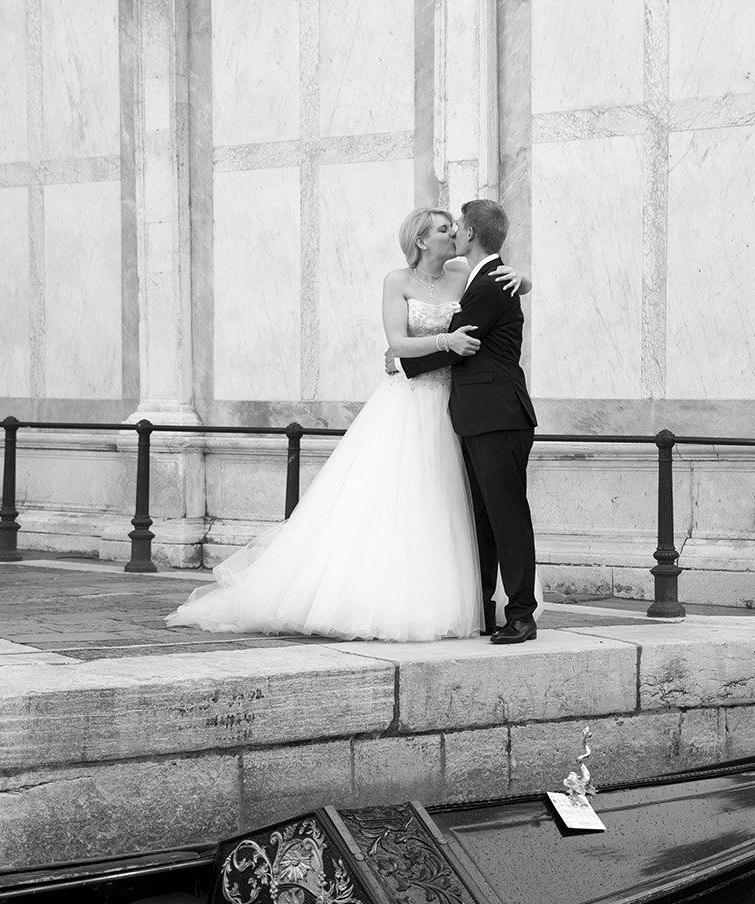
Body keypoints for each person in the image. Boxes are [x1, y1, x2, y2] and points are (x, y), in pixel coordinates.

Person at [166, 207, 530, 641]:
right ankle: (420, 601)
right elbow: (400, 340)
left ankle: (482, 605)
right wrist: (426, 347)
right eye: (442, 228)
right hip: (414, 406)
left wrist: (523, 279)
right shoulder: (398, 281)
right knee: (408, 503)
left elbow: (490, 299)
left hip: (459, 404)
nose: (452, 232)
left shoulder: (466, 275)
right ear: (420, 240)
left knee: (467, 512)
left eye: (455, 227)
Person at [398, 199, 540, 644]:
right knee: (482, 519)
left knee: (507, 516)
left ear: (472, 234)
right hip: (479, 416)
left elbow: (459, 346)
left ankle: (521, 615)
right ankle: (484, 608)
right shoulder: (485, 279)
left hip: (499, 415)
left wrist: (399, 358)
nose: (454, 231)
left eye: (457, 225)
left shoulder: (491, 285)